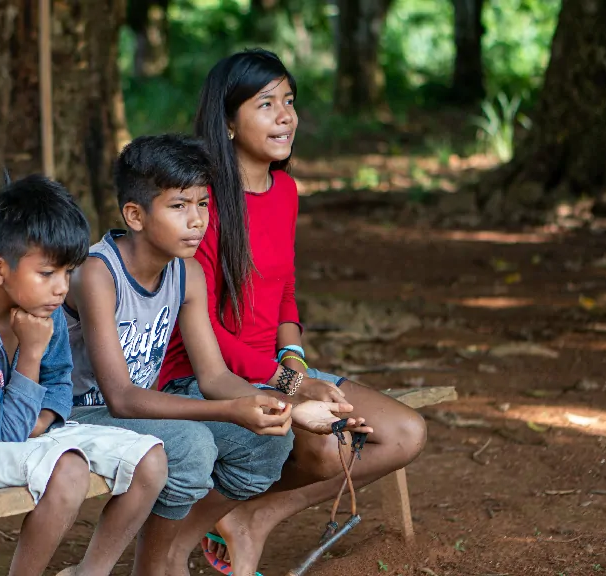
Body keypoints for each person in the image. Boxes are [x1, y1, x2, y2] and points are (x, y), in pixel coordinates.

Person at [159, 49, 428, 572]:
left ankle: (252, 518)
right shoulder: (201, 203)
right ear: (228, 123)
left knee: (405, 433)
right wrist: (292, 384)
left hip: (275, 368)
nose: (286, 116)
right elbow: (203, 332)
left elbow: (285, 291)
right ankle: (210, 521)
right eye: (266, 104)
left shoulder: (284, 190)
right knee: (328, 450)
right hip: (206, 376)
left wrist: (294, 361)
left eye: (289, 100)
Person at [65, 134, 361, 576]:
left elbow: (215, 377)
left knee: (267, 443)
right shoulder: (97, 273)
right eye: (179, 206)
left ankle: (157, 562)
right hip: (77, 414)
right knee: (192, 446)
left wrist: (289, 406)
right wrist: (231, 410)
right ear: (135, 215)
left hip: (138, 411)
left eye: (203, 204)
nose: (197, 220)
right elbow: (121, 398)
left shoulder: (186, 274)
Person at [0, 175, 168, 576]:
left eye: (68, 273)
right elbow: (5, 432)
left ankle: (90, 572)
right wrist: (31, 351)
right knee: (69, 471)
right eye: (48, 273)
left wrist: (45, 417)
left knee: (150, 461)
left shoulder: (42, 309)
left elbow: (59, 381)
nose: (61, 289)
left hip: (38, 432)